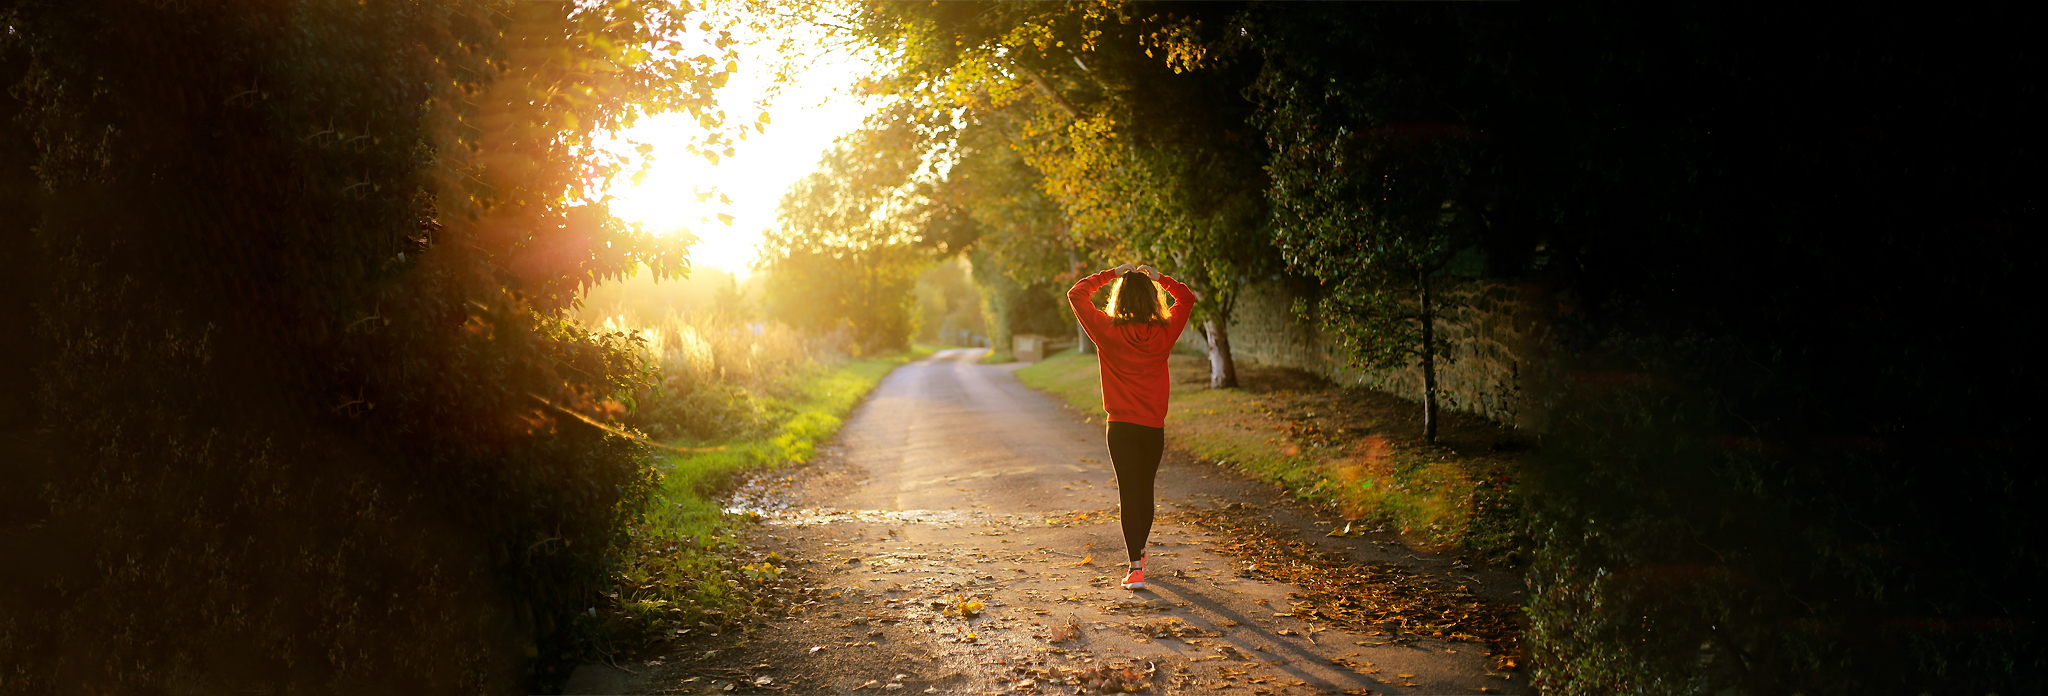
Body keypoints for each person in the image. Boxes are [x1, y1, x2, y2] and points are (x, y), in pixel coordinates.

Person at [1067, 262, 1196, 590]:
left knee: (1129, 493)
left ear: (1120, 298)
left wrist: (1110, 274)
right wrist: (1160, 278)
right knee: (1145, 490)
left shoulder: (1106, 330)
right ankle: (1138, 551)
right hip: (1152, 427)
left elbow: (1077, 294)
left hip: (1121, 427)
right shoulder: (1165, 332)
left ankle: (1135, 567)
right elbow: (1187, 298)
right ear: (1152, 299)